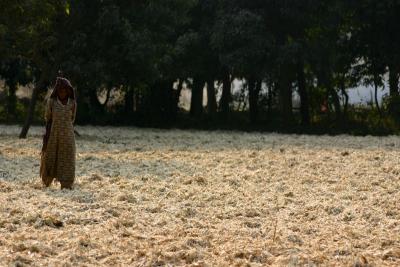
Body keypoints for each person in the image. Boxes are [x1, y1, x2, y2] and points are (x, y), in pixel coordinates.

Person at [40, 77, 77, 189]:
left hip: (68, 136)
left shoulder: (73, 103)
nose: (62, 93)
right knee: (51, 157)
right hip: (53, 135)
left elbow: (72, 119)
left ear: (68, 91)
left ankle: (66, 184)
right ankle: (47, 181)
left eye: (65, 90)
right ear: (57, 91)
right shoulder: (51, 102)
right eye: (60, 90)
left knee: (68, 158)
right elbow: (48, 118)